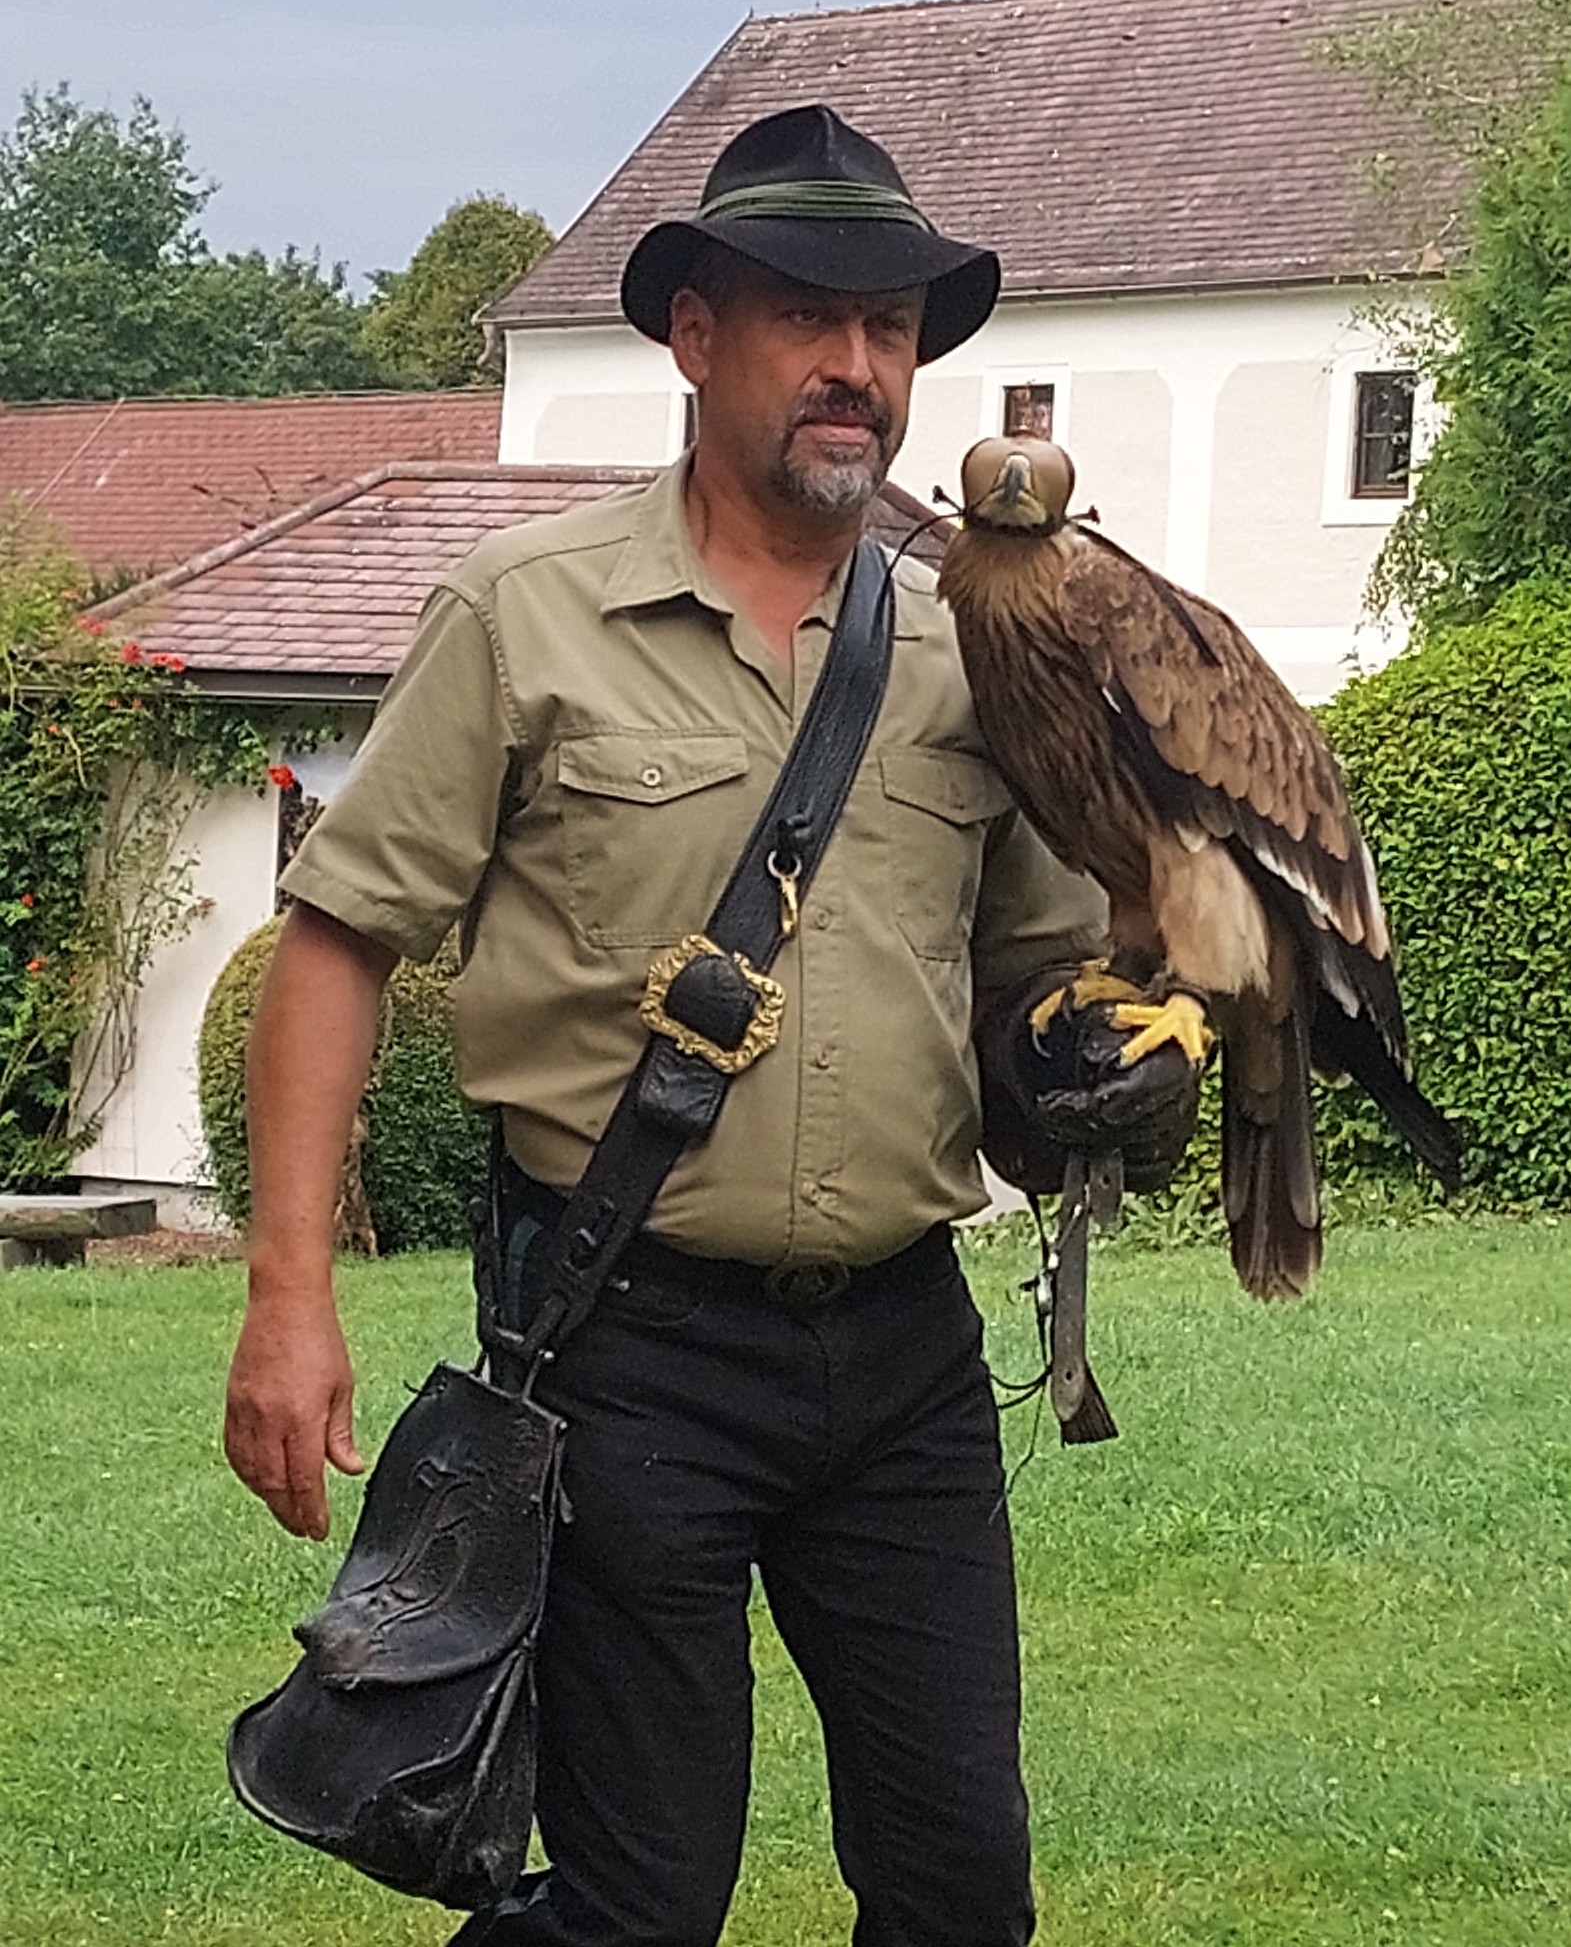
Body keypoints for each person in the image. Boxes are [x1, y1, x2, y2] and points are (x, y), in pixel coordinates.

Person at [224, 104, 1198, 1947]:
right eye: (808, 320)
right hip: (624, 1352)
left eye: (895, 330)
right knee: (641, 1900)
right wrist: (291, 1294)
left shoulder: (970, 648)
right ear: (691, 335)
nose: (861, 370)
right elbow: (340, 938)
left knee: (961, 1886)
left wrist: (1084, 1070)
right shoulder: (526, 616)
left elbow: (1025, 977)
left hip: (905, 1360)